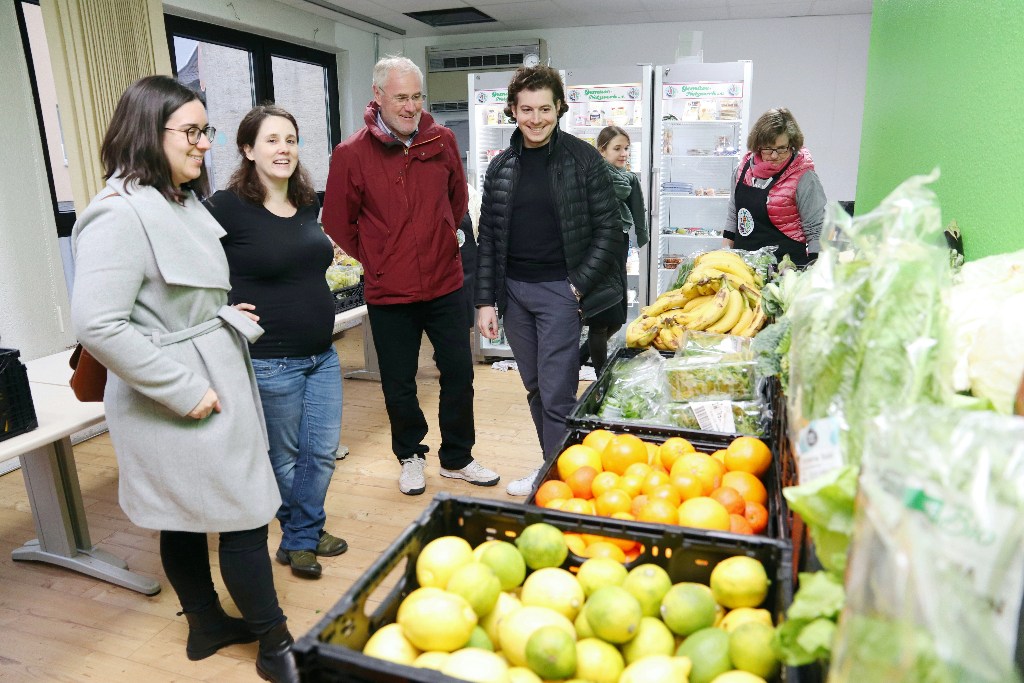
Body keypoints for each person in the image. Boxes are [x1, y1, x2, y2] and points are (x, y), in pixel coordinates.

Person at [69, 76, 296, 682]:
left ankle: (205, 624)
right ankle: (275, 645)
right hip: (176, 388)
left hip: (204, 366)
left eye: (205, 130)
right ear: (150, 132)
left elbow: (169, 294)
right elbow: (97, 323)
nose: (203, 143)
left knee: (187, 511)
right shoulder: (117, 215)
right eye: (192, 131)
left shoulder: (176, 199)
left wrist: (218, 314)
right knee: (239, 511)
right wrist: (184, 390)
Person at [322, 55, 499, 496]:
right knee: (399, 381)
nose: (411, 106)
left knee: (459, 372)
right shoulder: (351, 154)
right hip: (389, 289)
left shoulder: (441, 140)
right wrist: (377, 257)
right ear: (378, 96)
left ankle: (458, 457)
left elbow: (457, 202)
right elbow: (337, 221)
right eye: (401, 97)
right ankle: (410, 455)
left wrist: (439, 238)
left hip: (444, 283)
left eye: (417, 96)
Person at [204, 105, 347, 580]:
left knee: (321, 451)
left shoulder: (307, 201)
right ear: (248, 150)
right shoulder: (226, 206)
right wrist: (218, 309)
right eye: (270, 140)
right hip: (270, 359)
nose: (283, 148)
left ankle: (301, 532)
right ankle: (304, 537)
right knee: (283, 456)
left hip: (323, 353)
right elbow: (187, 267)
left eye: (290, 139)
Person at [475, 65, 624, 497]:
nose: (535, 118)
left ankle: (558, 481)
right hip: (514, 296)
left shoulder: (584, 160)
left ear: (560, 107)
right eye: (526, 109)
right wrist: (486, 300)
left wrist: (575, 286)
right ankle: (555, 468)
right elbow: (489, 240)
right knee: (536, 386)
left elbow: (610, 233)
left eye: (544, 108)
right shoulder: (501, 167)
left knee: (557, 392)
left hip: (560, 291)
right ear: (512, 111)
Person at [579, 125, 649, 376]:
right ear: (602, 151)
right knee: (600, 319)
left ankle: (575, 361)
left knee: (617, 319)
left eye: (626, 148)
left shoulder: (628, 179)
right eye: (617, 148)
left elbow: (638, 211)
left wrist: (641, 237)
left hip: (618, 247)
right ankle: (602, 379)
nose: (623, 153)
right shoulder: (591, 176)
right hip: (597, 248)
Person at [723, 107, 826, 266]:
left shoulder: (804, 177)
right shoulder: (742, 171)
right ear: (758, 146)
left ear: (792, 144)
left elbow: (816, 230)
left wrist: (815, 271)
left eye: (782, 148)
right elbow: (733, 216)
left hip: (785, 271)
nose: (775, 155)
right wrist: (724, 257)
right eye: (768, 148)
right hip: (743, 270)